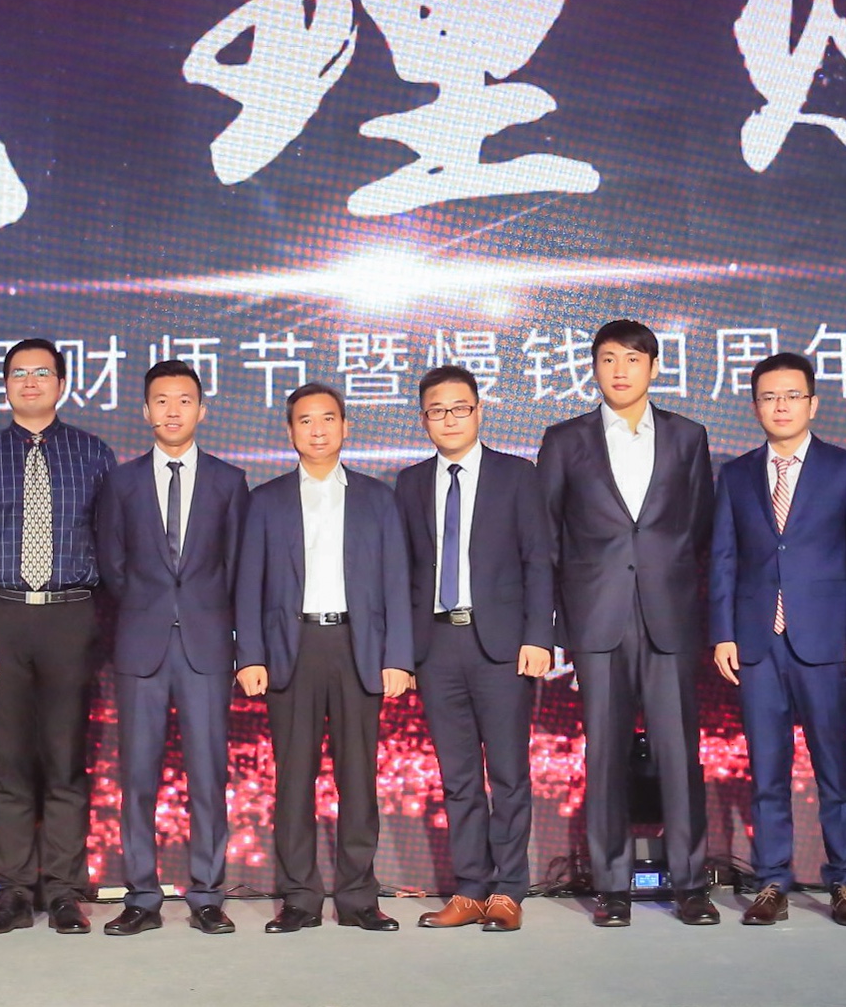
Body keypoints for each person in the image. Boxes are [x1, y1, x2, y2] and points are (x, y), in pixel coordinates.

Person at [535, 320, 721, 928]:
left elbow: (697, 526)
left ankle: (690, 882)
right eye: (609, 358)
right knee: (606, 755)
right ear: (592, 367)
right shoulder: (565, 440)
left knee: (679, 754)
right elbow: (548, 537)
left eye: (633, 358)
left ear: (654, 367)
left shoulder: (688, 436)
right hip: (597, 619)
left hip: (669, 615)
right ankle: (611, 885)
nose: (620, 370)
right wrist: (559, 621)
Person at [0, 339, 116, 935]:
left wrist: (102, 628)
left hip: (71, 615)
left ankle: (65, 890)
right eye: (19, 373)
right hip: (2, 619)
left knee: (66, 761)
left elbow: (112, 547)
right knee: (10, 762)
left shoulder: (93, 454)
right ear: (5, 386)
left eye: (42, 372)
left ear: (62, 384)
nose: (31, 381)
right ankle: (15, 891)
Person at [709, 352, 846, 928]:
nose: (780, 406)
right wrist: (723, 633)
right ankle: (772, 882)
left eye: (791, 396)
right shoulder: (736, 475)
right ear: (755, 406)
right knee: (767, 770)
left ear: (813, 403)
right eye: (768, 397)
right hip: (758, 643)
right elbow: (724, 560)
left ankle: (845, 881)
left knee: (835, 767)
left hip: (827, 641)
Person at [234, 383, 412, 933]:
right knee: (294, 780)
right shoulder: (265, 500)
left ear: (345, 426)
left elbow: (397, 581)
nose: (318, 429)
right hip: (291, 648)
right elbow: (248, 584)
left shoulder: (377, 498)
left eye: (328, 418)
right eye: (306, 420)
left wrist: (399, 657)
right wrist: (250, 655)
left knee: (358, 779)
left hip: (359, 646)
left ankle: (359, 898)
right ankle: (300, 898)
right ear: (290, 431)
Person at [91, 360, 249, 936]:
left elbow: (238, 567)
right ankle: (141, 896)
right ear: (145, 410)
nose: (173, 410)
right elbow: (111, 563)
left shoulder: (229, 481)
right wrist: (151, 608)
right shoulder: (122, 482)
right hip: (142, 646)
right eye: (161, 400)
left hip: (207, 648)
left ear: (203, 409)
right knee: (138, 778)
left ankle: (207, 893)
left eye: (184, 400)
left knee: (208, 776)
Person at [396, 365, 554, 933]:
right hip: (437, 645)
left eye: (459, 408)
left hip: (503, 646)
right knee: (457, 775)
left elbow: (539, 560)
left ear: (479, 411)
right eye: (437, 411)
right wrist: (404, 653)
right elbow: (404, 573)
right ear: (424, 420)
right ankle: (469, 889)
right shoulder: (410, 483)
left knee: (508, 772)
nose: (449, 419)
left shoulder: (517, 475)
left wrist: (539, 636)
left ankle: (508, 890)